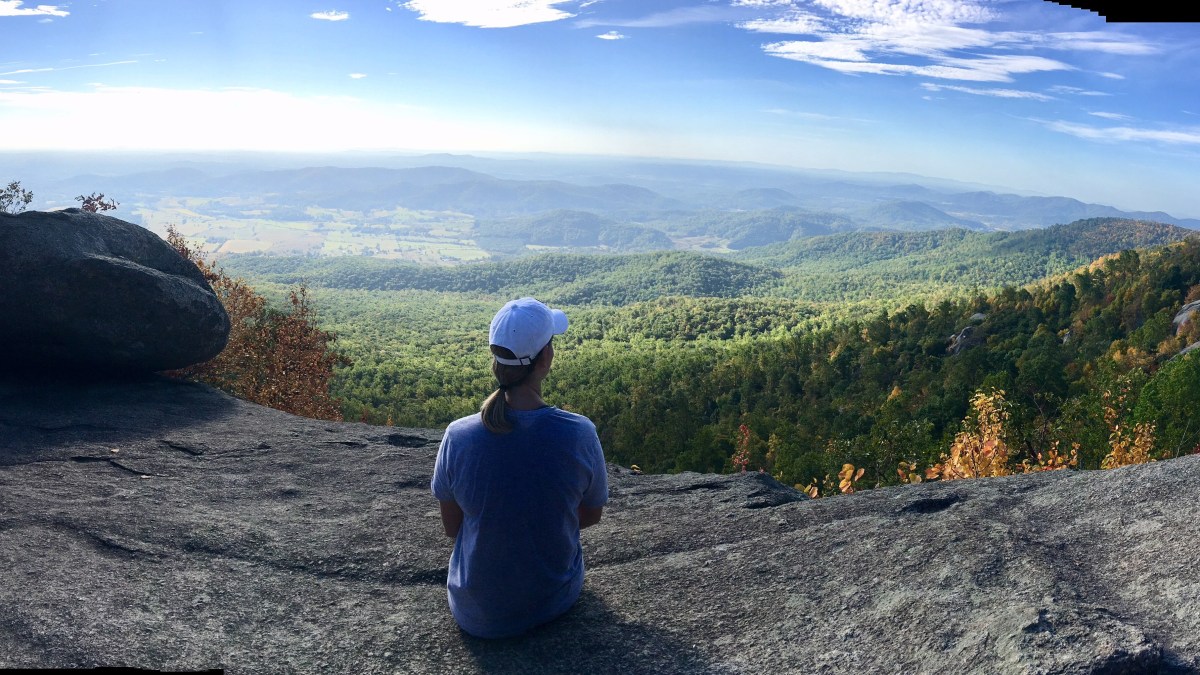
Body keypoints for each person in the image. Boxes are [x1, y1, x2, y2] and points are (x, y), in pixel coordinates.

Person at [431, 297, 609, 639]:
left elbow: (453, 528)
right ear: (546, 358)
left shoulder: (459, 436)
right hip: (553, 600)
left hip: (477, 614)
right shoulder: (579, 433)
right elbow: (590, 515)